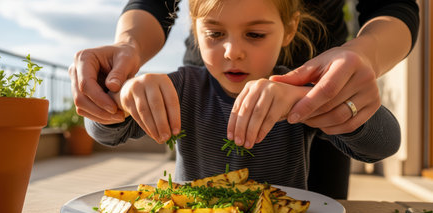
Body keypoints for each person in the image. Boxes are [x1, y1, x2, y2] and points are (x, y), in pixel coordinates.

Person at [69, 0, 419, 198]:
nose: (233, 52)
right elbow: (104, 133)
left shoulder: (296, 98)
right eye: (215, 33)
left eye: (255, 34)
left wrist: (317, 101)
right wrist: (123, 95)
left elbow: (384, 144)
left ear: (290, 30)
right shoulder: (184, 87)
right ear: (195, 31)